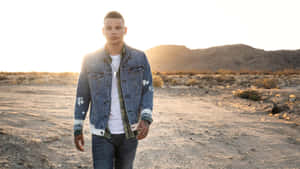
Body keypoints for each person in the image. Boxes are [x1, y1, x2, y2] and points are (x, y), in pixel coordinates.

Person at [73, 11, 154, 169]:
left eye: (118, 27)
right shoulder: (90, 59)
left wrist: (146, 117)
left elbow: (147, 89)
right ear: (103, 31)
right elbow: (83, 94)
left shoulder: (139, 57)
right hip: (101, 133)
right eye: (109, 28)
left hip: (130, 132)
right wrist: (77, 126)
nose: (113, 31)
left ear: (125, 30)